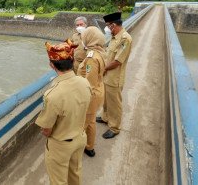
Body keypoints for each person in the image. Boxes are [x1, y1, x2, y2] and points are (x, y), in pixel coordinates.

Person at [36, 39, 92, 185]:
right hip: (80, 138)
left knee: (58, 180)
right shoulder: (84, 82)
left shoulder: (52, 95)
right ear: (72, 61)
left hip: (61, 145)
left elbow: (46, 130)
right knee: (75, 174)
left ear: (52, 65)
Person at [96, 12, 132, 139]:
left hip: (114, 78)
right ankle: (105, 117)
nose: (107, 28)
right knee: (106, 100)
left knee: (114, 103)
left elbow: (117, 61)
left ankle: (114, 127)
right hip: (107, 76)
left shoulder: (124, 39)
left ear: (114, 25)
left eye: (108, 26)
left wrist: (102, 69)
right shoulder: (114, 36)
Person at [77, 26, 106, 157]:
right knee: (91, 121)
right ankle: (90, 146)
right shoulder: (100, 52)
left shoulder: (91, 58)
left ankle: (76, 149)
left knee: (82, 124)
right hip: (99, 90)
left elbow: (89, 83)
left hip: (91, 95)